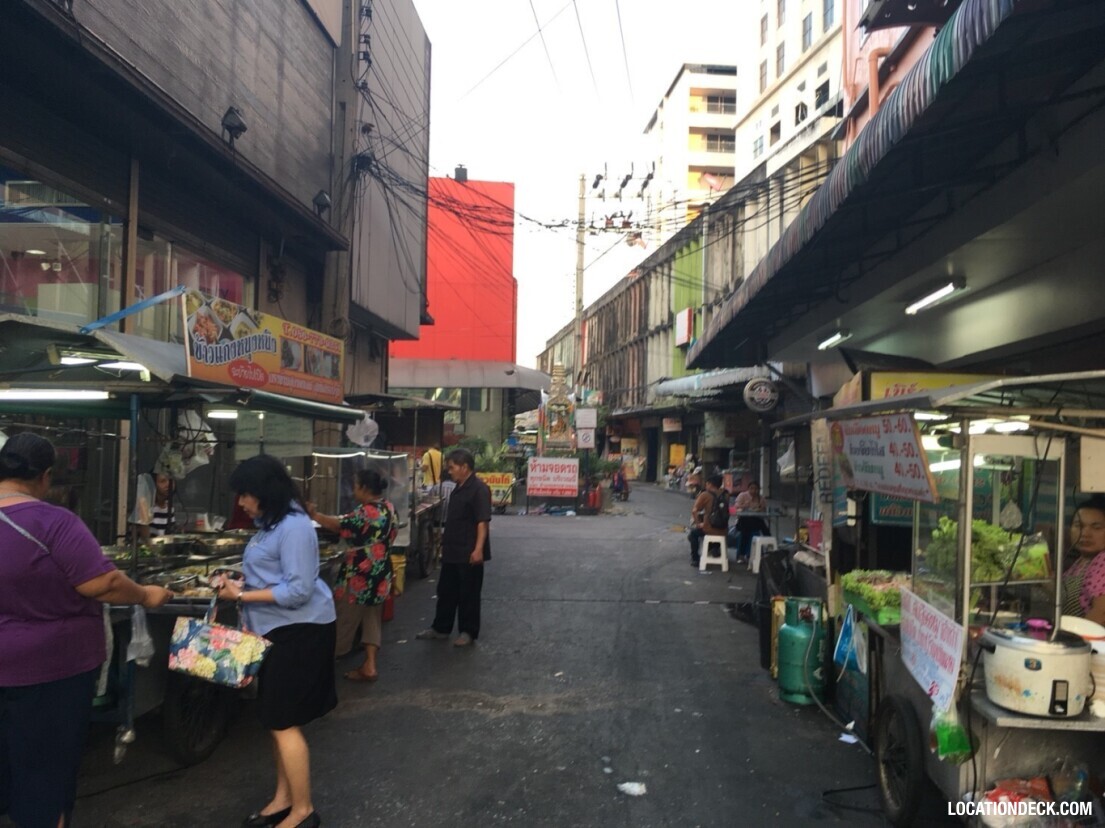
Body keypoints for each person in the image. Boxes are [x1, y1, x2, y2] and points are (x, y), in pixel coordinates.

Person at [0, 433, 173, 828]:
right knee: (44, 773)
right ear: (45, 476)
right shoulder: (52, 521)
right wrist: (146, 594)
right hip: (50, 670)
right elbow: (104, 584)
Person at [214, 455, 335, 828]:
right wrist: (238, 581)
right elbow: (273, 575)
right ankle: (285, 799)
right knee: (276, 719)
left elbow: (298, 591)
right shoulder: (272, 524)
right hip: (276, 630)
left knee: (283, 721)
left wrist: (241, 595)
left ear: (265, 492)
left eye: (245, 494)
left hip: (300, 631)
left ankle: (303, 811)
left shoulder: (294, 527)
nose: (241, 503)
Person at [307, 468, 397, 682]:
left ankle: (325, 667)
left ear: (365, 488)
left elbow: (339, 525)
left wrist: (314, 515)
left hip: (360, 575)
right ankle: (370, 665)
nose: (353, 490)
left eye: (356, 485)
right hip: (380, 572)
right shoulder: (388, 507)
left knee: (345, 620)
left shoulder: (366, 512)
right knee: (371, 618)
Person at [416, 448, 491, 646]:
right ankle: (441, 627)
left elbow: (482, 522)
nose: (449, 471)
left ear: (464, 467)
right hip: (452, 550)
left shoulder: (479, 489)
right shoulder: (459, 487)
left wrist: (478, 549)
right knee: (446, 590)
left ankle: (468, 631)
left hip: (469, 550)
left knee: (469, 593)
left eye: (452, 467)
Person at [1063, 495, 1105, 623]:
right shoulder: (1080, 562)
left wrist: (1074, 635)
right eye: (1078, 526)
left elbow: (1101, 613)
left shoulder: (1103, 560)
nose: (1085, 534)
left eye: (1096, 527)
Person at [688, 474, 728, 567]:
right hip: (724, 530)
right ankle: (714, 548)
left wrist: (698, 523)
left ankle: (695, 559)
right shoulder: (726, 494)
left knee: (693, 534)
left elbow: (694, 511)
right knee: (706, 532)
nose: (706, 485)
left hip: (709, 529)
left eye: (706, 484)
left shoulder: (705, 495)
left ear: (710, 484)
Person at [130, 468, 176, 541]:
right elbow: (145, 539)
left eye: (170, 480)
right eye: (162, 481)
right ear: (153, 484)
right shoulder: (146, 506)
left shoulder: (170, 507)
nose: (168, 484)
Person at [733, 481, 770, 563]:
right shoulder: (742, 496)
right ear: (748, 489)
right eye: (751, 488)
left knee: (762, 527)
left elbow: (764, 511)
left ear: (759, 490)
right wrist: (744, 505)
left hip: (755, 521)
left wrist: (760, 509)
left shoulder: (761, 498)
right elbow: (736, 507)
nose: (754, 491)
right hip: (743, 521)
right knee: (745, 531)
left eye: (756, 489)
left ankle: (769, 547)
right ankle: (742, 555)